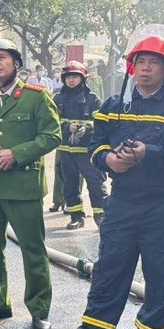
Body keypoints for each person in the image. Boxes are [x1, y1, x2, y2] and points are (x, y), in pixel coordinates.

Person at [58, 36, 164, 329]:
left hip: (162, 202)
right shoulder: (112, 106)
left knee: (160, 270)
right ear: (132, 68)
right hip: (122, 200)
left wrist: (147, 153)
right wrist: (107, 160)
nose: (146, 68)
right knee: (109, 267)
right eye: (141, 62)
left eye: (154, 62)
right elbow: (95, 144)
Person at [0, 39, 61, 329]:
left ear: (16, 64)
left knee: (33, 251)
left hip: (23, 188)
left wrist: (16, 154)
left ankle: (38, 310)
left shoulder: (36, 96)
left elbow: (52, 136)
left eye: (1, 58)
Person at [53, 60, 106, 229]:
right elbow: (50, 122)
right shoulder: (58, 99)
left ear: (82, 78)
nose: (71, 80)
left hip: (87, 150)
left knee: (95, 183)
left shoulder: (93, 99)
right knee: (69, 185)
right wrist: (67, 127)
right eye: (68, 76)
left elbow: (101, 122)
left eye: (75, 76)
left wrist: (86, 127)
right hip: (65, 151)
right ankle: (76, 216)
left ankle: (100, 215)